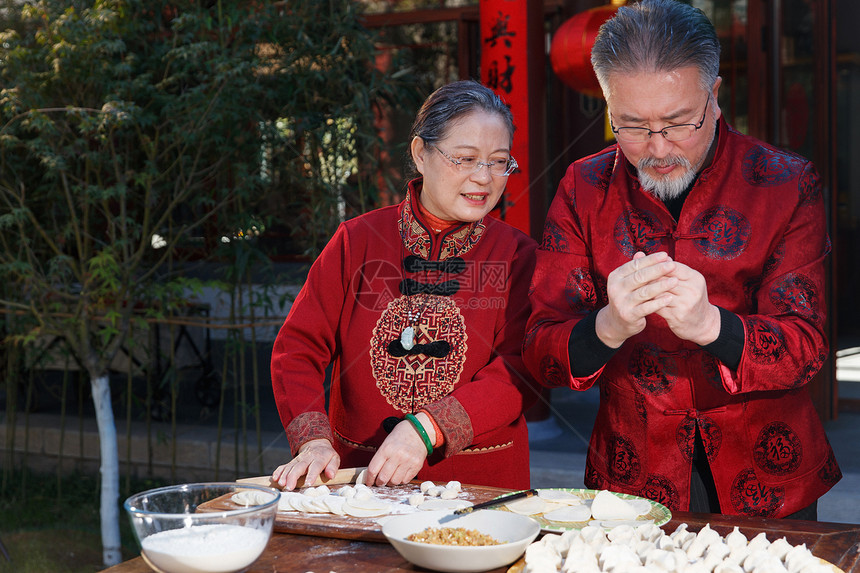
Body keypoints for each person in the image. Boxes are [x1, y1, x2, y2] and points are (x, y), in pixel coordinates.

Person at [523, 0, 841, 519]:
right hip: (631, 477)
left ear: (713, 98)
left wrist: (713, 325)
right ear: (608, 109)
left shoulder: (784, 184)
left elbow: (806, 347)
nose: (657, 148)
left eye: (677, 123)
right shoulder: (584, 187)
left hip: (768, 473)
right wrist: (605, 327)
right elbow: (540, 350)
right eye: (632, 126)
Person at [271, 80, 538, 491]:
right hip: (362, 483)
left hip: (479, 489)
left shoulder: (519, 255)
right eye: (465, 159)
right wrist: (313, 441)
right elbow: (297, 349)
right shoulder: (357, 240)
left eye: (498, 161)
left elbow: (519, 371)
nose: (484, 178)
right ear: (420, 153)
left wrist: (427, 428)